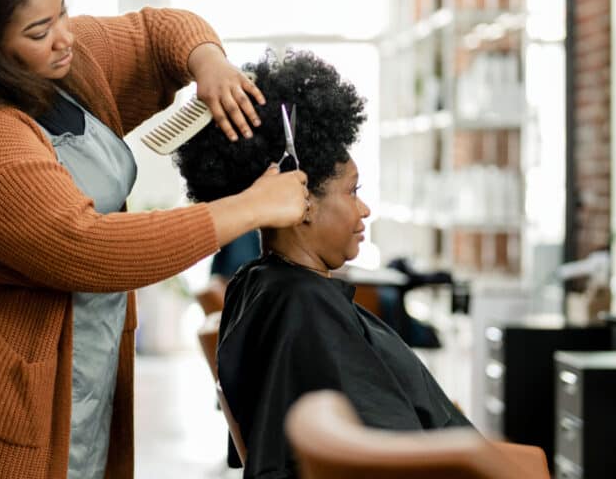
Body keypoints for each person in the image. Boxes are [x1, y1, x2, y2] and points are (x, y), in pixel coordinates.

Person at [0, 0, 310, 479]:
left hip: (79, 350)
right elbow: (88, 247)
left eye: (62, 14)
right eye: (39, 31)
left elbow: (159, 32)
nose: (65, 39)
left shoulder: (63, 65)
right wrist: (250, 209)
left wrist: (210, 63)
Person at [174, 50, 473, 478]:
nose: (364, 209)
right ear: (303, 201)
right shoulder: (303, 307)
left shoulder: (258, 285)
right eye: (353, 191)